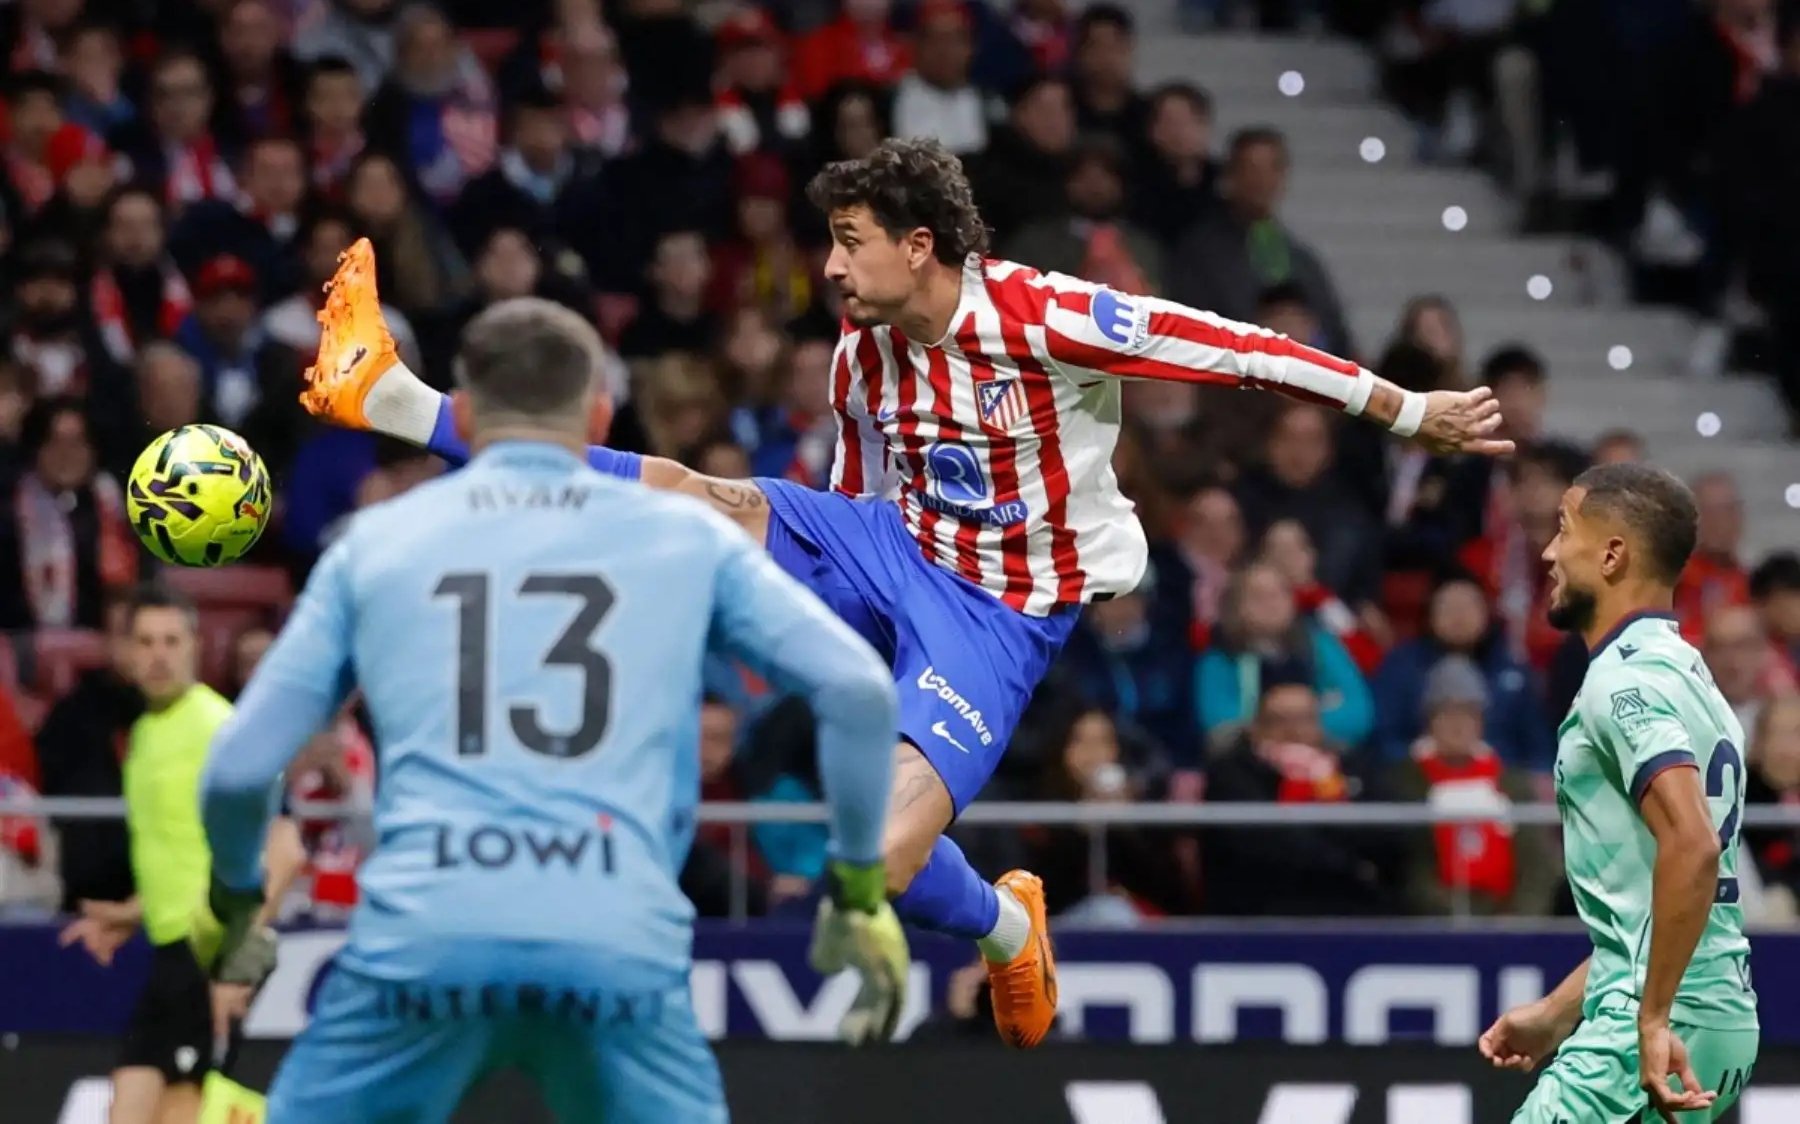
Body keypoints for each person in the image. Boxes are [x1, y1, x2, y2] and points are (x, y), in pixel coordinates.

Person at [299, 136, 1512, 1048]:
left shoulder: (1043, 315)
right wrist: (801, 592)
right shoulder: (863, 350)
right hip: (885, 545)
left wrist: (1409, 412)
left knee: (868, 849)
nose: (828, 265)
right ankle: (397, 399)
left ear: (918, 246)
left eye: (849, 241)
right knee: (690, 490)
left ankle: (1004, 926)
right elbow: (854, 480)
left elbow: (1237, 346)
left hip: (1000, 611)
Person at [198, 299, 907, 1123]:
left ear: (459, 415)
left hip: (426, 943)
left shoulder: (375, 544)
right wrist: (857, 891)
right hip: (614, 946)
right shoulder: (684, 537)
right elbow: (857, 693)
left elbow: (240, 765)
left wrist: (239, 901)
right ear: (600, 414)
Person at [1478, 464, 1759, 1122]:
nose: (1548, 552)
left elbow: (1692, 847)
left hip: (1655, 1029)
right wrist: (1554, 1015)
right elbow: (1655, 901)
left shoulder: (1622, 686)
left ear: (1612, 554)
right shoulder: (1691, 676)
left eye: (1563, 530)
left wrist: (1652, 1018)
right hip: (1710, 1012)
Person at [57, 587, 304, 1124]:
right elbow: (182, 858)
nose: (159, 654)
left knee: (181, 1113)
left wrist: (238, 964)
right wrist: (128, 916)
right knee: (128, 1104)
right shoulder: (144, 736)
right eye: (145, 642)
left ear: (197, 647)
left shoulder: (222, 729)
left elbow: (285, 851)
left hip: (217, 956)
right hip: (171, 957)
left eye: (172, 640)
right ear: (125, 653)